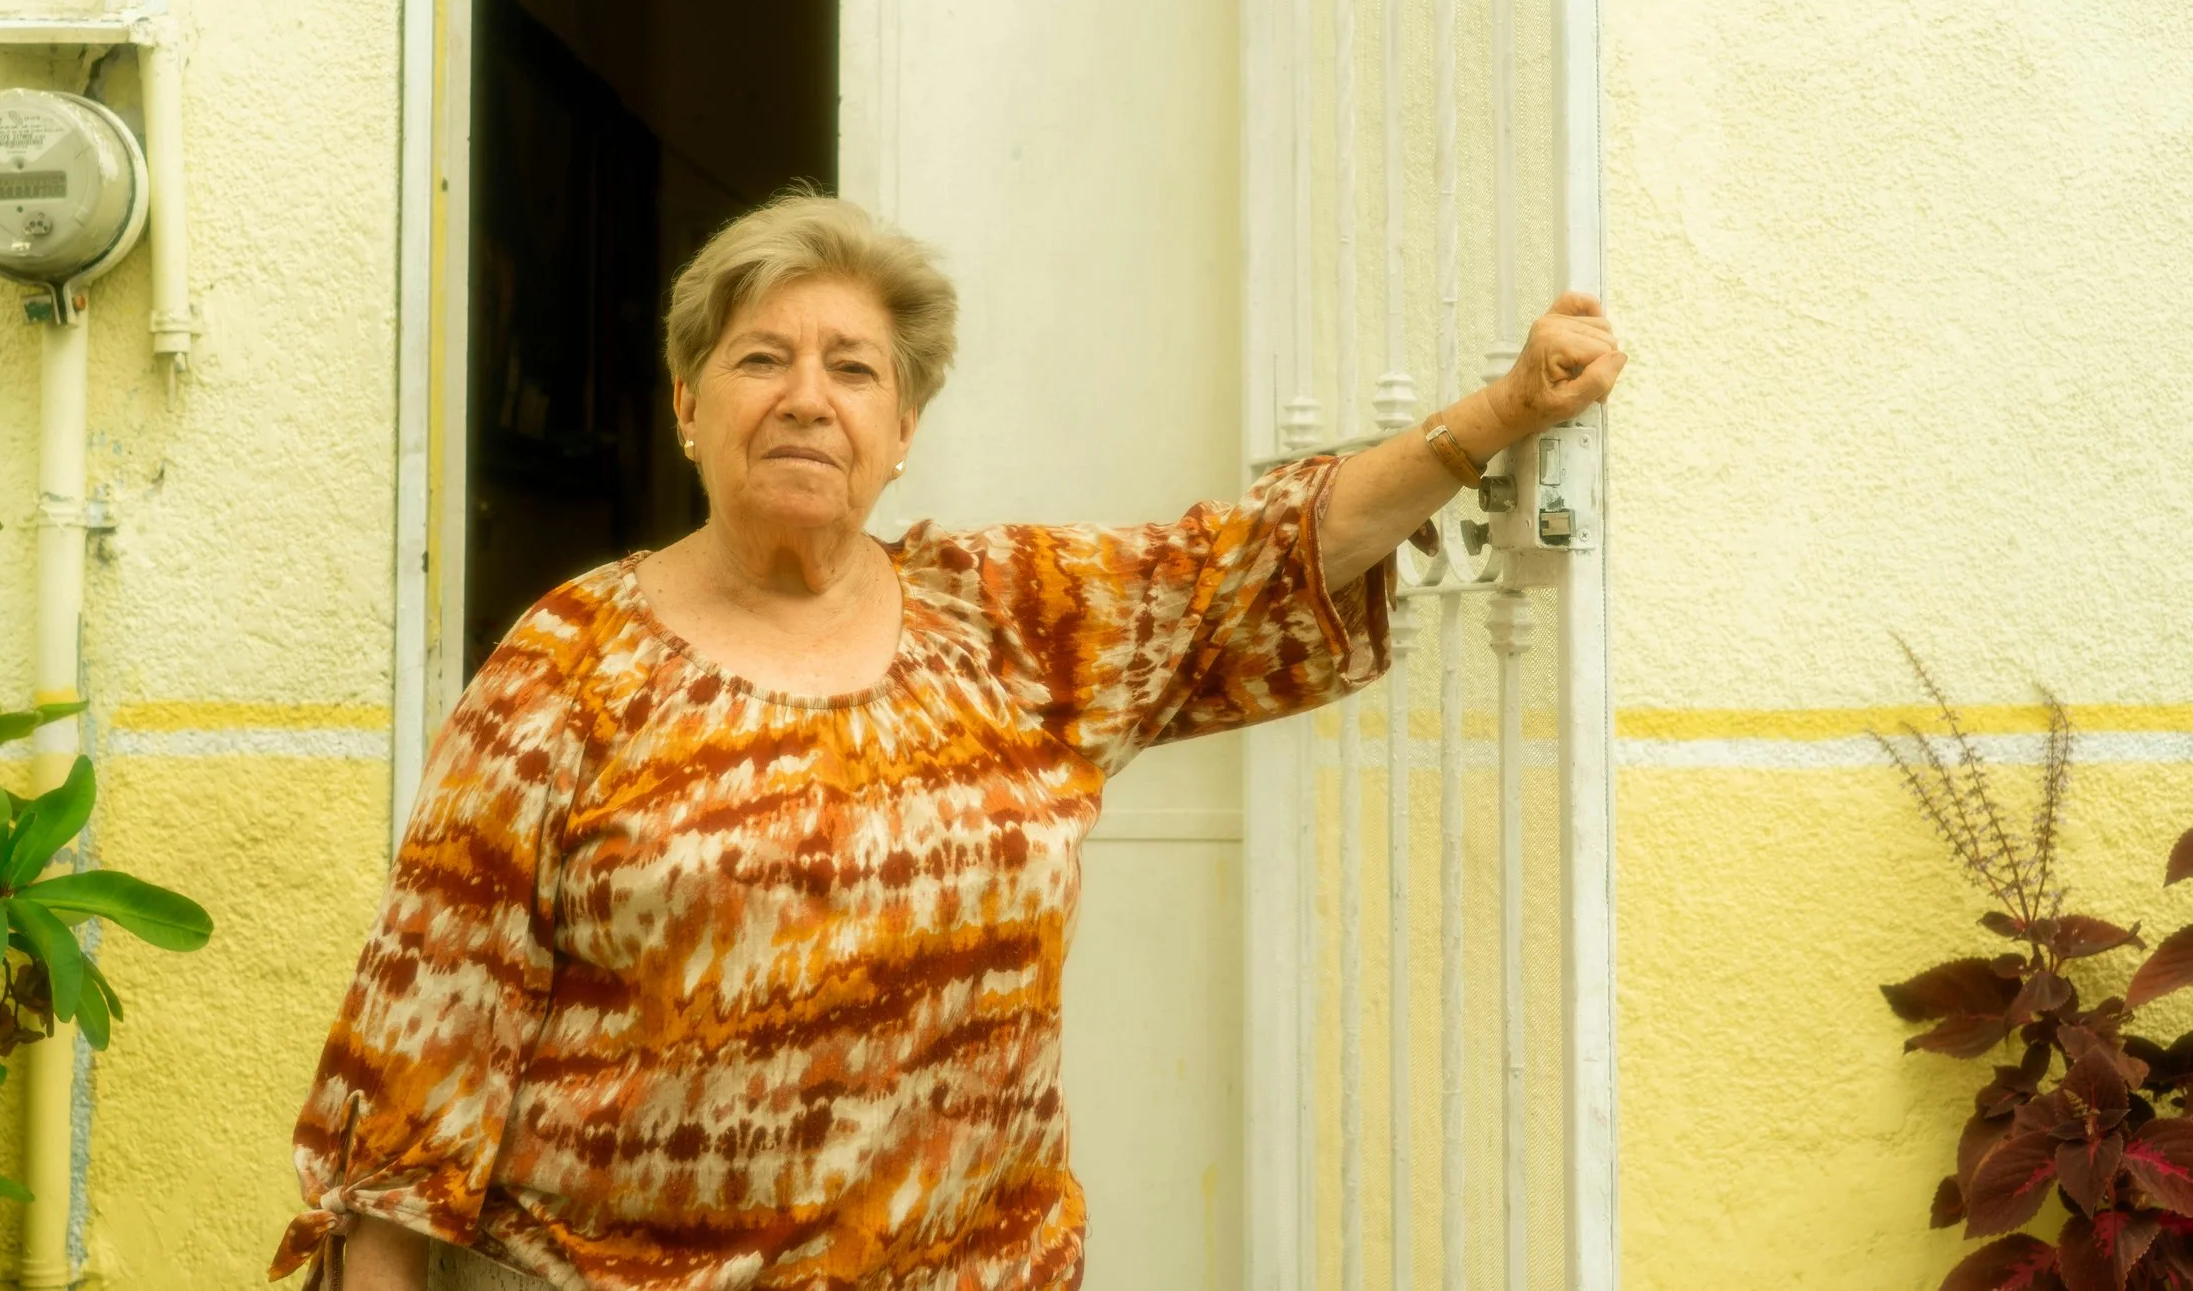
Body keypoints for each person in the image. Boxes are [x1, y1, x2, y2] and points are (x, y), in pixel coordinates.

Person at [271, 194, 1625, 1291]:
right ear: (686, 406)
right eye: (760, 357)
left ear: (902, 432)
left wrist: (1499, 415)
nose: (808, 395)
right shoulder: (570, 660)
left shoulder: (1007, 622)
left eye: (852, 368)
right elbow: (422, 1039)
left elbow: (1259, 560)